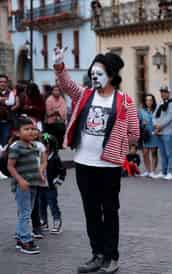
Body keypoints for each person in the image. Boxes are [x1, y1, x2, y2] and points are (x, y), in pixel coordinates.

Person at [53, 48, 140, 273]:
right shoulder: (85, 95)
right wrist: (60, 65)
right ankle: (97, 254)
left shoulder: (124, 101)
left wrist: (121, 146)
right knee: (90, 211)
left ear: (111, 76)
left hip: (109, 165)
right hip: (83, 162)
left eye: (99, 73)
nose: (94, 77)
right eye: (92, 73)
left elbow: (134, 133)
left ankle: (111, 257)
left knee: (109, 211)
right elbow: (67, 86)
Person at [7, 117, 45, 254]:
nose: (30, 131)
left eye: (32, 129)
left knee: (27, 211)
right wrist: (20, 180)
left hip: (33, 183)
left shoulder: (34, 146)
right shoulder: (17, 147)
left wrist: (40, 174)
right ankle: (25, 241)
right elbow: (10, 166)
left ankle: (19, 236)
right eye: (26, 129)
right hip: (22, 185)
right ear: (17, 133)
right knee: (25, 213)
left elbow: (36, 163)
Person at [39, 133, 66, 234]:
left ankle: (57, 221)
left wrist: (57, 182)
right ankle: (43, 222)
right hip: (40, 185)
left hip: (50, 186)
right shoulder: (39, 156)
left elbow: (62, 171)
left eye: (44, 145)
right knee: (41, 205)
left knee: (52, 204)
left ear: (50, 145)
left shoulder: (55, 158)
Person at [153, 87, 172, 180]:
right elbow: (154, 116)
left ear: (168, 93)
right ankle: (163, 171)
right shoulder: (160, 104)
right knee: (162, 153)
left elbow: (170, 117)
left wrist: (160, 126)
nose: (163, 94)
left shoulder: (171, 104)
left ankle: (170, 172)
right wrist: (155, 125)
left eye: (165, 92)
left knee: (169, 153)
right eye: (162, 92)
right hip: (159, 132)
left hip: (168, 132)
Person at [139, 94, 158, 178]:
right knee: (145, 153)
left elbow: (159, 120)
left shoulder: (156, 110)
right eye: (147, 100)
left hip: (154, 133)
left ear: (153, 101)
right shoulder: (141, 111)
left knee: (154, 152)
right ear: (145, 101)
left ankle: (153, 171)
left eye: (150, 100)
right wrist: (142, 123)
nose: (149, 102)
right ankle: (148, 170)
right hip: (145, 134)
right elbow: (138, 122)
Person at [0, 74, 16, 147]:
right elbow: (7, 102)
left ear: (7, 83)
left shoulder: (11, 93)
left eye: (4, 82)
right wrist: (3, 100)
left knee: (5, 140)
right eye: (1, 82)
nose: (2, 83)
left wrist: (2, 100)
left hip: (6, 121)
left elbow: (10, 103)